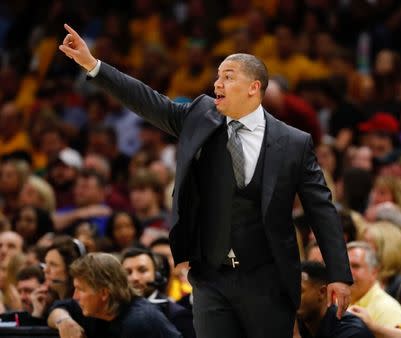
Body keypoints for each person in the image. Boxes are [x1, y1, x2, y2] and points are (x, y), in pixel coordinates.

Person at [59, 24, 352, 338]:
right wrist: (94, 66)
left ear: (254, 87)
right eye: (217, 76)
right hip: (210, 278)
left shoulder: (294, 142)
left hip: (267, 280)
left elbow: (321, 209)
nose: (217, 83)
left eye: (228, 76)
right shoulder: (200, 116)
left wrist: (338, 273)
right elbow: (148, 100)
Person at [47, 252, 181, 338]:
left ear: (104, 293)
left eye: (80, 289)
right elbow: (58, 307)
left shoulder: (139, 322)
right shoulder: (98, 308)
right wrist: (64, 321)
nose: (75, 296)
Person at [122, 248, 195, 338]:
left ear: (157, 275)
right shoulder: (116, 311)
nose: (134, 278)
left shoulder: (176, 314)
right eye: (128, 272)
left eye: (142, 270)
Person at [295, 260, 374, 338]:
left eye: (298, 291)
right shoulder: (297, 324)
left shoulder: (352, 332)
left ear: (322, 292)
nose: (291, 298)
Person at [347, 241, 401, 327]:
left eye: (355, 266)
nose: (347, 272)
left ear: (374, 273)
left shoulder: (388, 309)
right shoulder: (336, 301)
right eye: (344, 266)